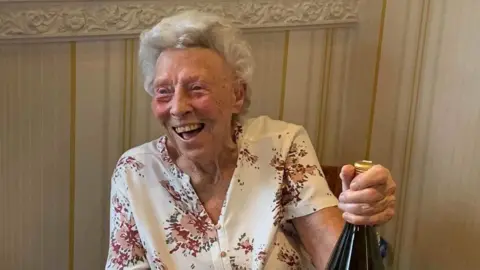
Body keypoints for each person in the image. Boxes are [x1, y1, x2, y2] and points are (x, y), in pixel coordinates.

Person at [105, 10, 396, 270]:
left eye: (196, 88)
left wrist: (363, 216)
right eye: (164, 91)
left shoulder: (281, 147)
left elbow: (333, 257)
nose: (178, 107)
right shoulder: (135, 171)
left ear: (237, 95)